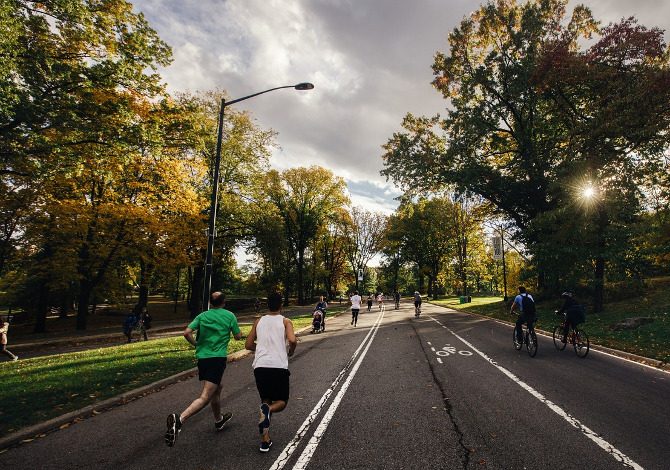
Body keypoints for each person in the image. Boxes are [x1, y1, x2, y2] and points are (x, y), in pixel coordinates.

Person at [164, 291, 242, 447]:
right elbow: (238, 337)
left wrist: (196, 344)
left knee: (217, 388)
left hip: (203, 359)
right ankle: (180, 420)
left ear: (211, 303)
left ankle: (219, 420)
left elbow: (186, 332)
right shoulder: (229, 315)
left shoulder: (202, 316)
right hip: (217, 359)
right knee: (206, 396)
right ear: (224, 301)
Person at [245, 292, 297, 453]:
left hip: (260, 366)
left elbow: (248, 344)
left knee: (265, 400)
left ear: (268, 305)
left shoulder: (258, 321)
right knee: (281, 401)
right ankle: (269, 412)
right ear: (281, 305)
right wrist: (290, 352)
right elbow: (293, 340)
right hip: (278, 366)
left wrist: (260, 349)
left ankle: (265, 441)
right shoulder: (285, 321)